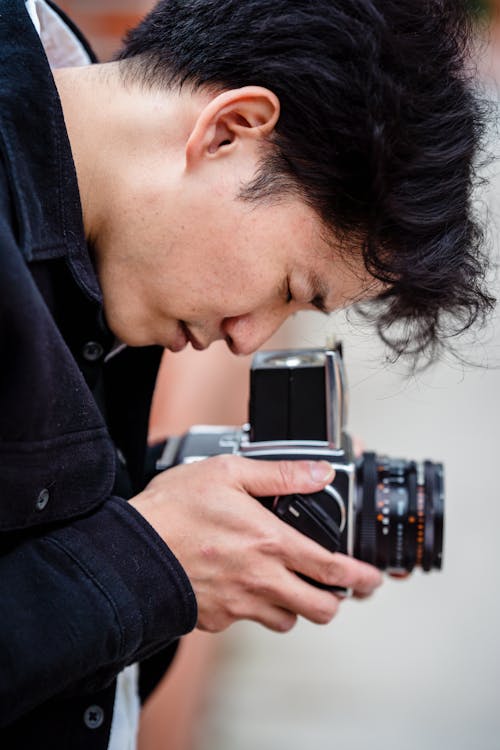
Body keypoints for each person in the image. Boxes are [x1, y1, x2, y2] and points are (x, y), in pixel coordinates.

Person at [0, 0, 494, 747]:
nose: (247, 339)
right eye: (290, 288)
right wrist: (142, 560)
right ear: (230, 130)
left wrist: (168, 505)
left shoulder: (102, 269)